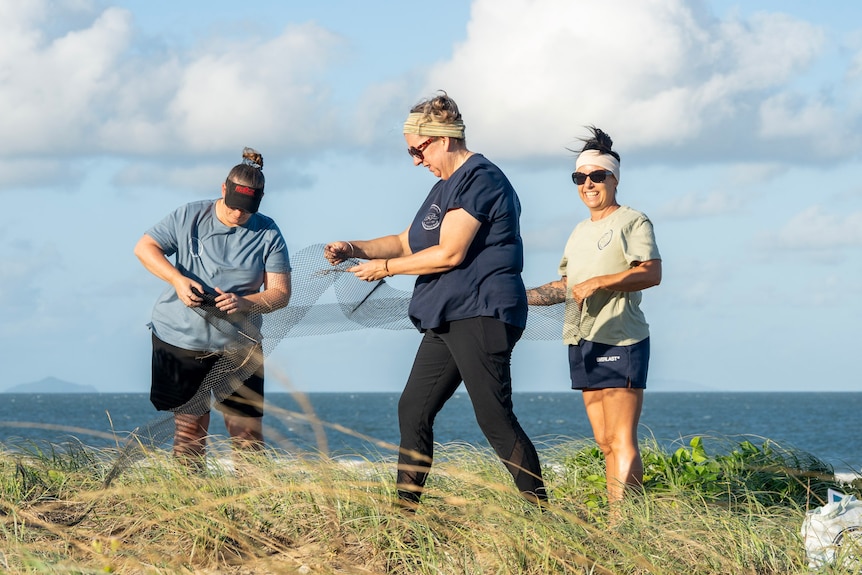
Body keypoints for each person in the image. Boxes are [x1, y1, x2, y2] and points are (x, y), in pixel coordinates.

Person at [324, 91, 547, 508]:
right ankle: (405, 515)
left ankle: (545, 515)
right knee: (413, 409)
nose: (415, 160)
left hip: (481, 312)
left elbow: (449, 253)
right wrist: (353, 248)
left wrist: (384, 270)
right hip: (445, 317)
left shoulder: (481, 178)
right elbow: (404, 242)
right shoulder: (442, 188)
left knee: (494, 419)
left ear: (442, 138)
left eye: (416, 149)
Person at [527, 127, 661, 505]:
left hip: (622, 338)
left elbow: (651, 272)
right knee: (604, 443)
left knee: (622, 440)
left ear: (614, 178)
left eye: (597, 176)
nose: (588, 183)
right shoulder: (578, 232)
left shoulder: (633, 221)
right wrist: (516, 298)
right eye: (580, 177)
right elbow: (567, 285)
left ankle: (625, 527)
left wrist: (601, 282)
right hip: (581, 339)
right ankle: (615, 519)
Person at [134, 147, 292, 464]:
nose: (238, 214)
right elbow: (144, 247)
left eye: (247, 210)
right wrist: (178, 280)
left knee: (247, 433)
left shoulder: (269, 232)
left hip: (239, 345)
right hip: (180, 340)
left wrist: (244, 301)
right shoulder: (188, 216)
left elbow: (279, 294)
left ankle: (254, 504)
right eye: (234, 206)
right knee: (191, 429)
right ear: (223, 189)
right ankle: (190, 502)